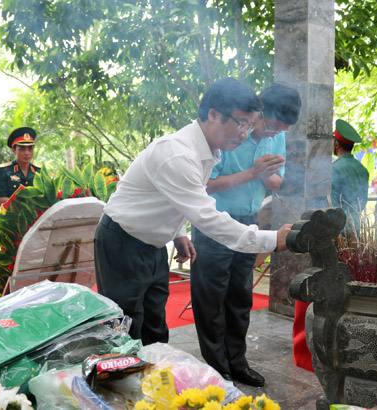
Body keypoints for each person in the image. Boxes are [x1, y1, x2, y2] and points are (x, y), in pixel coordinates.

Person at [94, 77, 292, 379]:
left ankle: (151, 387)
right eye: (240, 123)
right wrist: (273, 239)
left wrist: (178, 234)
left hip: (154, 244)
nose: (245, 133)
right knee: (126, 326)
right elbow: (208, 217)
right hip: (123, 242)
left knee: (155, 327)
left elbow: (173, 199)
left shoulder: (209, 152)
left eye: (250, 125)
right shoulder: (177, 153)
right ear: (213, 114)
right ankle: (122, 392)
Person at [190, 84, 301, 387]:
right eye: (270, 126)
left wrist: (266, 175)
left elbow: (277, 182)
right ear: (256, 114)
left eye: (280, 131)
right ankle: (217, 368)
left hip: (250, 220)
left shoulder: (276, 137)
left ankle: (237, 362)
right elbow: (206, 185)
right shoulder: (228, 135)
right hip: (214, 221)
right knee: (211, 298)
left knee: (240, 296)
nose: (272, 134)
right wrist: (252, 173)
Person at [331, 119, 369, 234]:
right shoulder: (362, 168)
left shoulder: (334, 168)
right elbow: (363, 199)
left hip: (338, 226)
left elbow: (332, 201)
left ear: (337, 145)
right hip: (356, 224)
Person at [0, 127, 41, 206]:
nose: (27, 153)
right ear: (14, 150)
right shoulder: (4, 170)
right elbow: (0, 200)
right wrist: (26, 203)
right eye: (22, 149)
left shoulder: (39, 171)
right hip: (12, 216)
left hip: (37, 216)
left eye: (30, 149)